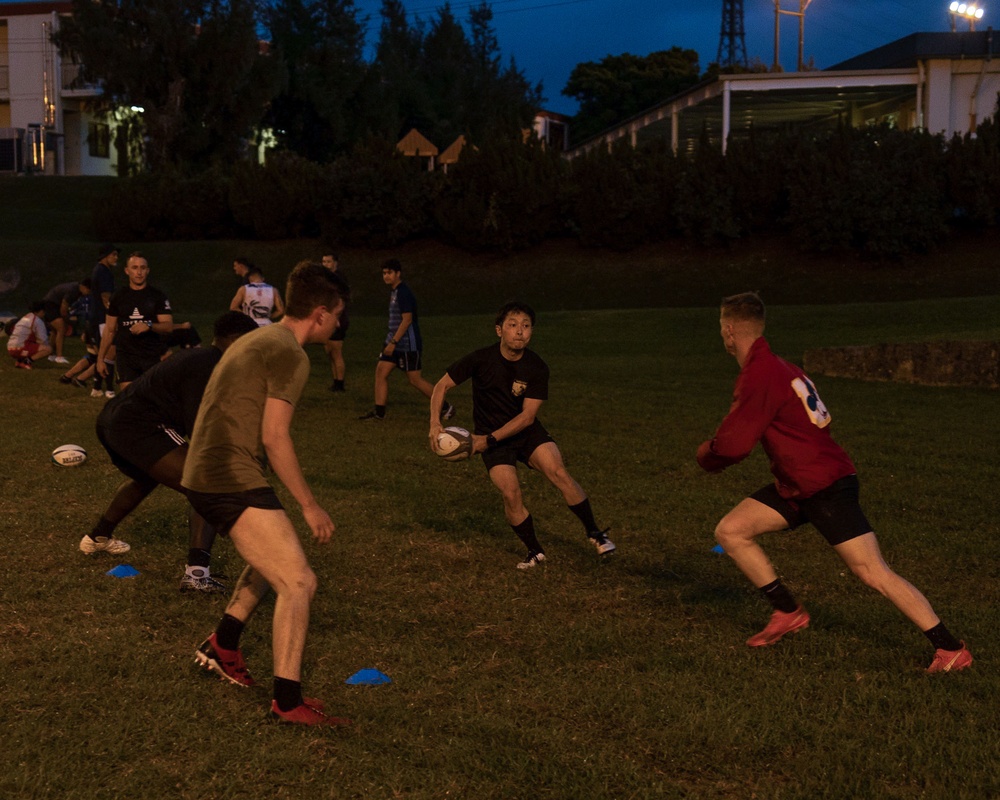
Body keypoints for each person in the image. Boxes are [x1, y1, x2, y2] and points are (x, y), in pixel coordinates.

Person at [696, 291, 972, 673]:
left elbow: (733, 444)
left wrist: (707, 455)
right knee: (732, 530)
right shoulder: (781, 366)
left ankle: (950, 649)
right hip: (799, 484)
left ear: (728, 331)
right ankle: (788, 611)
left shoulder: (761, 373)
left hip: (823, 487)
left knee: (872, 572)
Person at [183, 261, 352, 726]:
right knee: (299, 581)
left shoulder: (259, 336)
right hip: (226, 474)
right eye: (337, 314)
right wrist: (310, 504)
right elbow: (276, 436)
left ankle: (223, 642)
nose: (338, 323)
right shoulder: (291, 354)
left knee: (272, 556)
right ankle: (287, 701)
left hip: (210, 470)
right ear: (319, 314)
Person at [81, 312, 260, 593]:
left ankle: (98, 537)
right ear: (238, 341)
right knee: (206, 482)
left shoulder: (201, 357)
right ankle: (197, 575)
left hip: (111, 420)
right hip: (138, 426)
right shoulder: (209, 365)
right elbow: (199, 428)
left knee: (145, 478)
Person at [428, 301, 615, 569]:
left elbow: (527, 417)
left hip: (522, 432)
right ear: (499, 330)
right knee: (511, 493)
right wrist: (435, 423)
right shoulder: (480, 359)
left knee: (559, 473)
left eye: (526, 326)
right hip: (492, 440)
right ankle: (535, 551)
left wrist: (486, 440)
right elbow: (441, 385)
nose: (520, 331)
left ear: (532, 332)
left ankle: (595, 533)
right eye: (513, 325)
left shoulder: (536, 367)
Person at [360, 259, 454, 421]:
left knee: (415, 380)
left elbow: (407, 320)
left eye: (389, 273)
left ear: (398, 274)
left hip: (407, 344)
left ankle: (446, 407)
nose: (386, 276)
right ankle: (379, 413)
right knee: (381, 372)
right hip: (394, 341)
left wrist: (394, 342)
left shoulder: (404, 292)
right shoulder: (394, 292)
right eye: (384, 273)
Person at [96, 252, 173, 392]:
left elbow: (168, 326)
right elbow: (110, 329)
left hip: (151, 356)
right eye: (135, 267)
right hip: (126, 356)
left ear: (147, 271)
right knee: (128, 400)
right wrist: (100, 359)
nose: (139, 272)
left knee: (150, 400)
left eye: (142, 268)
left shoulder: (157, 296)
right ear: (127, 271)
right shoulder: (118, 297)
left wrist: (149, 325)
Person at [89, 243, 119, 398]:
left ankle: (96, 387)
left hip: (97, 316)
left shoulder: (98, 270)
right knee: (109, 352)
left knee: (103, 352)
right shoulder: (104, 272)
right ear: (105, 255)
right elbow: (106, 296)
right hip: (103, 317)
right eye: (113, 254)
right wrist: (113, 314)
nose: (116, 257)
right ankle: (109, 389)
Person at [42, 277, 91, 363]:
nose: (88, 293)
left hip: (52, 304)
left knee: (55, 331)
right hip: (50, 305)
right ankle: (59, 356)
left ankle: (50, 354)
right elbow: (64, 308)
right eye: (88, 290)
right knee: (61, 329)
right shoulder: (73, 291)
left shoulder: (78, 290)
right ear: (84, 287)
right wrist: (67, 320)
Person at [321, 252, 348, 392]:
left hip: (337, 318)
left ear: (335, 263)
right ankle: (335, 381)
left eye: (328, 262)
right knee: (330, 351)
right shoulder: (326, 278)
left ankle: (340, 383)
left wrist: (336, 318)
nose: (325, 264)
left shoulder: (338, 279)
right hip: (329, 317)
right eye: (324, 262)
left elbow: (340, 301)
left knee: (336, 352)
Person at [7, 301, 53, 368]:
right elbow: (42, 339)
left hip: (10, 348)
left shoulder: (26, 317)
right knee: (48, 349)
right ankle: (26, 362)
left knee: (29, 341)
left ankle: (19, 361)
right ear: (41, 311)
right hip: (19, 349)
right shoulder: (37, 321)